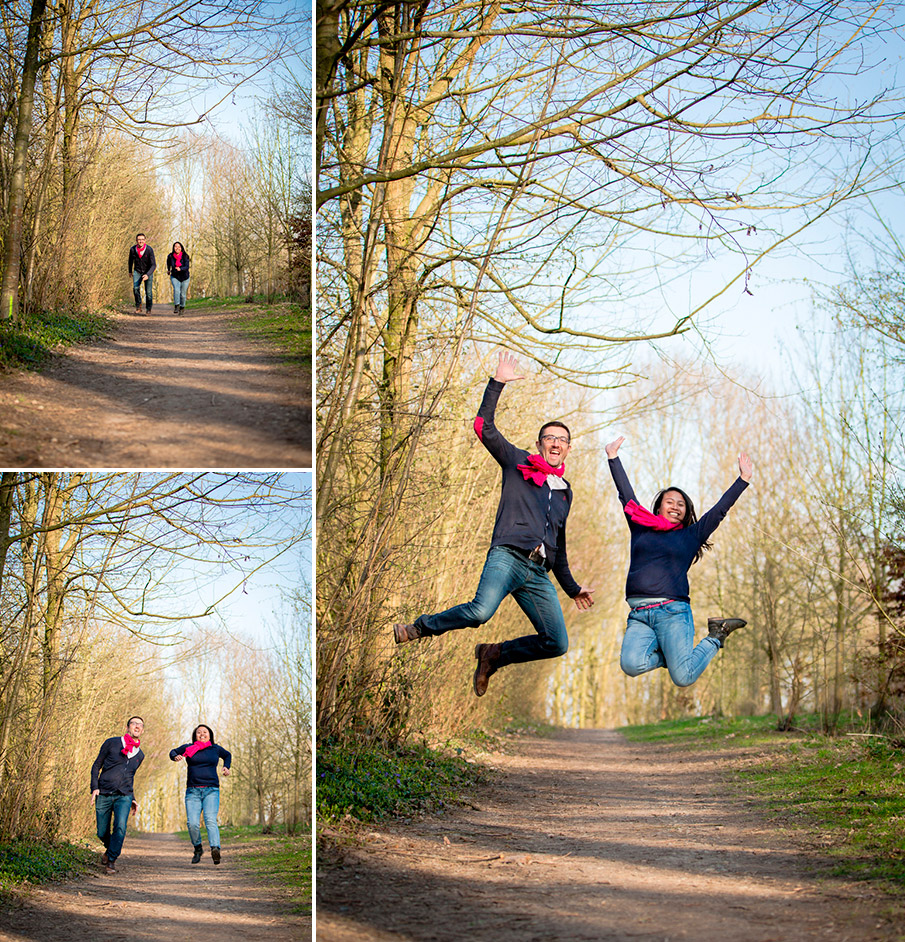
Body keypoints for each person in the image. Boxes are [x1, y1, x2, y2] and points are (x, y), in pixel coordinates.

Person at [394, 351, 594, 697]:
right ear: (539, 444)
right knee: (479, 611)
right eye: (550, 438)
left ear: (569, 449)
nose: (556, 443)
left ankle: (493, 654)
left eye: (562, 439)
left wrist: (573, 588)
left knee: (556, 642)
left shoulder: (566, 492)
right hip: (507, 557)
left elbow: (558, 547)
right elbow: (483, 428)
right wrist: (497, 382)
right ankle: (418, 628)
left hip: (539, 573)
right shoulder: (517, 462)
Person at [605, 436, 752, 687]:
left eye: (681, 504)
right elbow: (625, 495)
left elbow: (718, 511)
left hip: (672, 612)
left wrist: (743, 481)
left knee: (682, 677)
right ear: (659, 507)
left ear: (686, 511)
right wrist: (613, 458)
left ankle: (716, 636)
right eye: (670, 502)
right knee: (630, 664)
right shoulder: (640, 526)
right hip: (639, 614)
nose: (675, 506)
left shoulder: (690, 535)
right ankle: (674, 656)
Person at [170, 724, 232, 865]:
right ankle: (198, 848)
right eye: (199, 732)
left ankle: (215, 849)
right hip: (193, 791)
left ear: (210, 735)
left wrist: (226, 767)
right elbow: (172, 752)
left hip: (211, 790)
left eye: (205, 732)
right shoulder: (188, 748)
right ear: (195, 735)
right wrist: (176, 756)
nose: (202, 734)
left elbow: (227, 755)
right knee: (192, 823)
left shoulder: (215, 749)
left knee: (210, 820)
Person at [90, 716, 145, 875]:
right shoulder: (112, 743)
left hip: (124, 796)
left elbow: (129, 777)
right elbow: (96, 766)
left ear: (142, 730)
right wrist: (94, 787)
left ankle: (111, 860)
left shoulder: (140, 754)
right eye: (134, 723)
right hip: (104, 792)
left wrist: (133, 797)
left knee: (120, 828)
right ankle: (110, 850)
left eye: (140, 725)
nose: (137, 727)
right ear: (127, 727)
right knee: (101, 832)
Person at [128, 233, 156, 315]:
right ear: (136, 240)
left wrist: (148, 274)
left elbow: (153, 264)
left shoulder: (149, 250)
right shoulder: (133, 249)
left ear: (145, 240)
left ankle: (148, 309)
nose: (140, 241)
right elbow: (130, 261)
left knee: (149, 292)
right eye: (139, 239)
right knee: (135, 288)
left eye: (142, 239)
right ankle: (138, 305)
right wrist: (130, 271)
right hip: (137, 271)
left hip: (148, 272)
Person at [166, 241, 190, 315]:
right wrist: (168, 270)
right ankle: (176, 305)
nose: (177, 248)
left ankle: (182, 308)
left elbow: (187, 266)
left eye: (179, 247)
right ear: (173, 248)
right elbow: (168, 263)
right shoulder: (170, 256)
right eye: (175, 246)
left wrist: (181, 268)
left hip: (185, 277)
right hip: (175, 276)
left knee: (183, 294)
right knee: (176, 290)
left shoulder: (185, 256)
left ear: (181, 248)